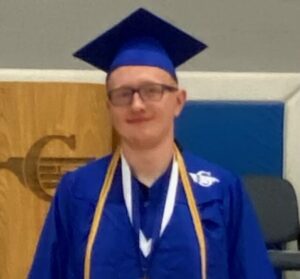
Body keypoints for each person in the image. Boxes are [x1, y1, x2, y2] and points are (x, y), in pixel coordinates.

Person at [28, 8, 276, 279]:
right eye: (123, 94)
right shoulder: (77, 191)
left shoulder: (221, 191)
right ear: (109, 106)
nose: (136, 104)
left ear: (178, 101)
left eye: (151, 91)